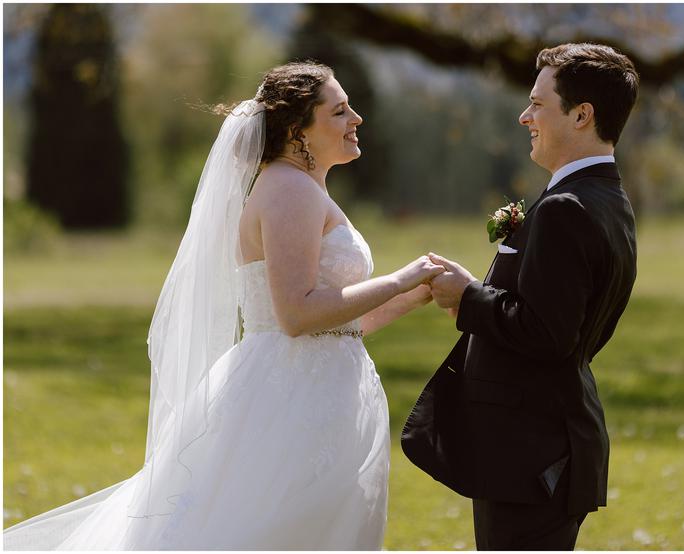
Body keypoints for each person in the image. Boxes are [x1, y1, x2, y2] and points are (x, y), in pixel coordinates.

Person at [4, 61, 445, 550]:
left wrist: (409, 296)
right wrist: (398, 278)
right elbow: (296, 314)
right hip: (289, 400)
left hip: (319, 390)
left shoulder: (305, 187)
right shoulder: (288, 189)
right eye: (340, 111)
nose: (356, 119)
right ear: (298, 129)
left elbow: (335, 324)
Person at [401, 43, 640, 550]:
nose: (524, 115)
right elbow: (558, 317)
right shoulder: (607, 198)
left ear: (582, 115)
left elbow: (548, 333)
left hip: (532, 453)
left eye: (537, 103)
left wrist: (467, 300)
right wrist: (479, 290)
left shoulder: (566, 208)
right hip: (545, 445)